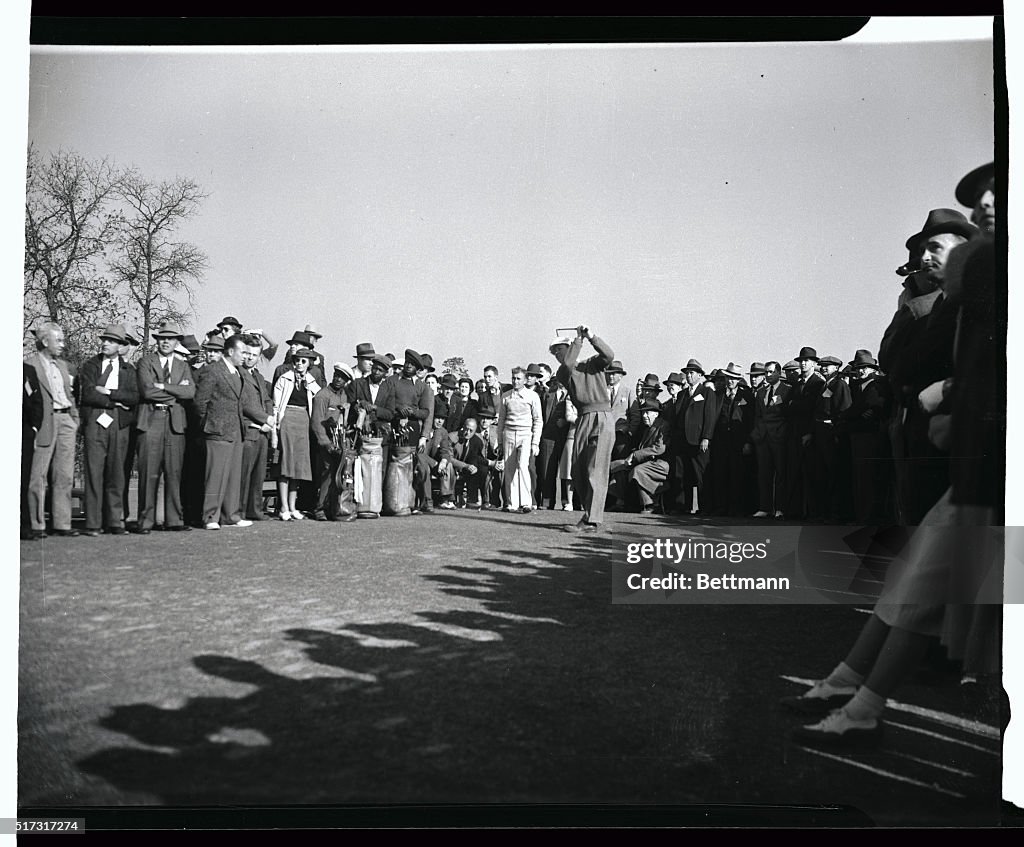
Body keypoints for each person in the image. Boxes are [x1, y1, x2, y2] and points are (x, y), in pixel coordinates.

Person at [77, 324, 139, 536]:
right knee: (94, 471)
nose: (105, 343)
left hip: (119, 423)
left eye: (111, 341)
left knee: (116, 472)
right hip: (95, 419)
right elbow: (87, 394)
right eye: (104, 340)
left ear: (121, 345)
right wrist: (114, 402)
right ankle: (93, 523)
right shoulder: (90, 366)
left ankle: (114, 521)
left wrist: (109, 392)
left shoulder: (129, 370)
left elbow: (133, 397)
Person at [194, 334, 261, 529]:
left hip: (236, 431)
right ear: (231, 351)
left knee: (233, 477)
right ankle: (210, 517)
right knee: (215, 476)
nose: (245, 356)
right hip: (217, 431)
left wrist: (265, 419)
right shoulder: (213, 371)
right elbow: (200, 403)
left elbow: (245, 403)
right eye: (242, 352)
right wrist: (209, 424)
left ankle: (231, 515)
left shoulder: (239, 373)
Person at [553, 326, 615, 532]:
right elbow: (569, 364)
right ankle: (589, 514)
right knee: (578, 470)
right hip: (583, 419)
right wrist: (578, 341)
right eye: (555, 352)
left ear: (569, 347)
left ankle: (592, 519)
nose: (558, 355)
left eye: (561, 349)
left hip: (602, 417)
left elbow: (609, 354)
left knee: (594, 470)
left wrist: (590, 337)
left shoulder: (592, 364)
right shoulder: (563, 373)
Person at [24, 322, 80, 538]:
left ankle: (63, 523)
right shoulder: (30, 365)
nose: (63, 345)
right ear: (45, 341)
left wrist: (74, 419)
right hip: (45, 422)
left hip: (66, 419)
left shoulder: (63, 366)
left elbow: (70, 393)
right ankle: (37, 525)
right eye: (59, 340)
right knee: (38, 475)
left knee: (64, 474)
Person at [272, 347, 321, 520]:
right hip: (287, 421)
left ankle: (293, 506)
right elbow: (276, 405)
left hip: (303, 422)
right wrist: (276, 427)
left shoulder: (311, 381)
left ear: (309, 364)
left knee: (298, 466)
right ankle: (283, 507)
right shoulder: (284, 379)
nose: (299, 364)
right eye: (296, 361)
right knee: (286, 464)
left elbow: (319, 398)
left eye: (303, 361)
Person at [668, 359, 716, 516]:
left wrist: (706, 437)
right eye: (687, 373)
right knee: (682, 474)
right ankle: (683, 505)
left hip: (698, 441)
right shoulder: (682, 394)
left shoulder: (707, 392)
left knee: (701, 475)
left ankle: (705, 507)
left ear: (700, 375)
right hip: (682, 441)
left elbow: (710, 417)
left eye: (692, 373)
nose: (688, 376)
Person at [708, 362, 754, 517]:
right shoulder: (719, 395)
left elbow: (750, 420)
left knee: (736, 474)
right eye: (729, 377)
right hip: (721, 441)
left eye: (734, 378)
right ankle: (721, 507)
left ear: (739, 379)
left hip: (738, 441)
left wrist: (748, 441)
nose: (731, 381)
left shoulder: (746, 395)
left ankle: (736, 508)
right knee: (720, 473)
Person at [310, 363, 355, 521]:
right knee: (327, 475)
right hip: (326, 443)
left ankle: (333, 507)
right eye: (336, 375)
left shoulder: (343, 396)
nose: (338, 379)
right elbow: (316, 423)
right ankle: (320, 508)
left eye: (342, 378)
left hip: (339, 442)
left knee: (339, 476)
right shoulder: (322, 395)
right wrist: (326, 444)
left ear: (346, 381)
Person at [610, 398, 670, 514]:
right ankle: (621, 502)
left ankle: (650, 504)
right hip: (646, 461)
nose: (644, 416)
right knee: (616, 466)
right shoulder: (647, 429)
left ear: (656, 414)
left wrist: (635, 455)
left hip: (660, 463)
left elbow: (659, 448)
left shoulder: (663, 426)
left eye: (647, 413)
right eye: (643, 413)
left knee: (638, 471)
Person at [239, 334, 276, 521]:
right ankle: (240, 510)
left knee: (258, 473)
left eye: (254, 355)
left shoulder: (259, 377)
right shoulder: (238, 374)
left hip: (263, 432)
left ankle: (255, 510)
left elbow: (267, 400)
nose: (249, 358)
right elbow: (245, 404)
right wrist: (266, 419)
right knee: (243, 474)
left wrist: (270, 418)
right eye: (246, 353)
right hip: (248, 429)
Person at [497, 366, 543, 512]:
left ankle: (526, 503)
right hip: (509, 434)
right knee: (509, 468)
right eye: (513, 378)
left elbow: (538, 420)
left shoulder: (532, 396)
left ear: (524, 380)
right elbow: (501, 421)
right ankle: (512, 503)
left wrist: (535, 443)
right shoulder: (505, 396)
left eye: (518, 379)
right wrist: (499, 441)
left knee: (523, 466)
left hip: (525, 434)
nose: (516, 381)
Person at [750, 361, 790, 519]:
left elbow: (786, 415)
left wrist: (782, 432)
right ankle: (764, 507)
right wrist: (756, 434)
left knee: (780, 473)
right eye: (766, 372)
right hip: (762, 437)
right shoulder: (761, 392)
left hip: (778, 437)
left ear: (779, 373)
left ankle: (780, 508)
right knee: (763, 473)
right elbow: (757, 416)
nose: (768, 375)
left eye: (771, 372)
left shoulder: (786, 390)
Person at [415, 395, 456, 512]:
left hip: (435, 465)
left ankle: (447, 499)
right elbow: (418, 452)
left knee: (448, 465)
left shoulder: (442, 431)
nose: (439, 421)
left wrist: (443, 460)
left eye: (442, 419)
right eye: (437, 417)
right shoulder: (422, 428)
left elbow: (445, 450)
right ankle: (428, 502)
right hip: (420, 461)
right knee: (425, 468)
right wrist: (434, 463)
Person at [450, 416, 486, 508]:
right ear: (463, 427)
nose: (468, 432)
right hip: (453, 465)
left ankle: (473, 500)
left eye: (471, 430)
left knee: (480, 468)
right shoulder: (452, 437)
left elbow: (478, 457)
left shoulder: (478, 440)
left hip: (467, 466)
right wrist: (465, 466)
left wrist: (472, 466)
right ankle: (452, 499)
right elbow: (449, 458)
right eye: (466, 429)